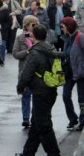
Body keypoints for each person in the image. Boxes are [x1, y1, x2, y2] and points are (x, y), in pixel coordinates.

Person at [15, 25, 62, 156]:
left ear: (33, 36)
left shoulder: (34, 52)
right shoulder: (50, 48)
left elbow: (26, 74)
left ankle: (54, 153)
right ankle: (28, 153)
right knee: (36, 124)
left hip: (40, 92)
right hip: (51, 89)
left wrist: (20, 87)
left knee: (43, 126)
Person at [12, 15, 39, 128]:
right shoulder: (20, 38)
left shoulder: (40, 36)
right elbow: (15, 54)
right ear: (26, 25)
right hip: (25, 71)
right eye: (33, 24)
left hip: (38, 72)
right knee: (26, 95)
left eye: (36, 24)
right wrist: (26, 52)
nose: (35, 27)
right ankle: (26, 118)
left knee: (37, 97)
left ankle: (35, 118)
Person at [60, 17, 84, 131]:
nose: (61, 28)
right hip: (69, 73)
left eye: (62, 26)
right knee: (65, 96)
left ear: (68, 26)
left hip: (80, 73)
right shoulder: (66, 38)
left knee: (82, 99)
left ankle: (82, 121)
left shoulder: (80, 37)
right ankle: (73, 119)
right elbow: (66, 55)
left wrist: (82, 67)